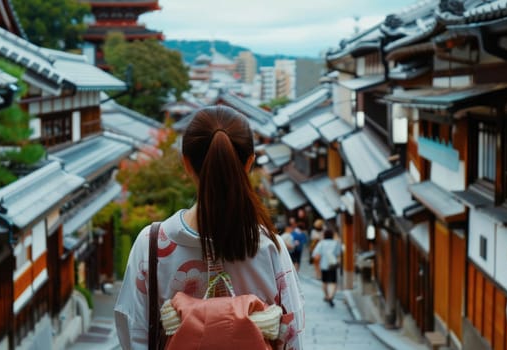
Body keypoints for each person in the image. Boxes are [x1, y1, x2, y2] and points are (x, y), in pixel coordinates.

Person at [114, 105, 304, 349]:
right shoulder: (269, 247)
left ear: (186, 163)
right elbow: (292, 336)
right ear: (249, 164)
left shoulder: (151, 245)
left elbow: (134, 334)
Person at [312, 229, 341, 307]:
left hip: (324, 265)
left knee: (325, 282)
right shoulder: (336, 243)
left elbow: (315, 254)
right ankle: (331, 296)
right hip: (332, 265)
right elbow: (338, 254)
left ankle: (327, 296)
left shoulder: (321, 243)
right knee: (333, 282)